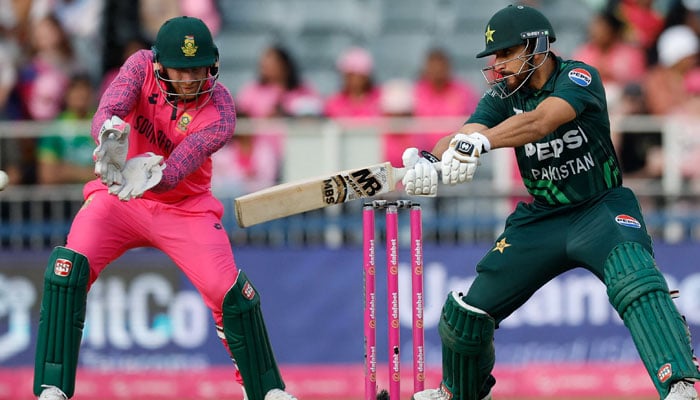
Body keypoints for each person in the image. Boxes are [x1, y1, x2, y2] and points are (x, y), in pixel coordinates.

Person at [400, 5, 700, 400]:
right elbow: (467, 132)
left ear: (536, 46)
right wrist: (435, 158)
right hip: (542, 217)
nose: (498, 64)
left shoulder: (578, 76)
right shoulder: (503, 94)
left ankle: (679, 383)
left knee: (635, 277)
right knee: (468, 313)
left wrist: (483, 142)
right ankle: (460, 392)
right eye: (496, 56)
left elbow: (543, 120)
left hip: (600, 206)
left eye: (507, 53)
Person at [32, 16, 297, 400]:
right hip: (120, 197)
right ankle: (52, 386)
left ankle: (266, 390)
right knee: (68, 268)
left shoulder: (221, 110)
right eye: (181, 70)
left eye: (198, 69)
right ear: (159, 64)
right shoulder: (139, 65)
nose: (190, 80)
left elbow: (181, 165)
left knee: (228, 292)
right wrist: (107, 135)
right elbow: (113, 104)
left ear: (213, 65)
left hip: (185, 207)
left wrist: (157, 174)